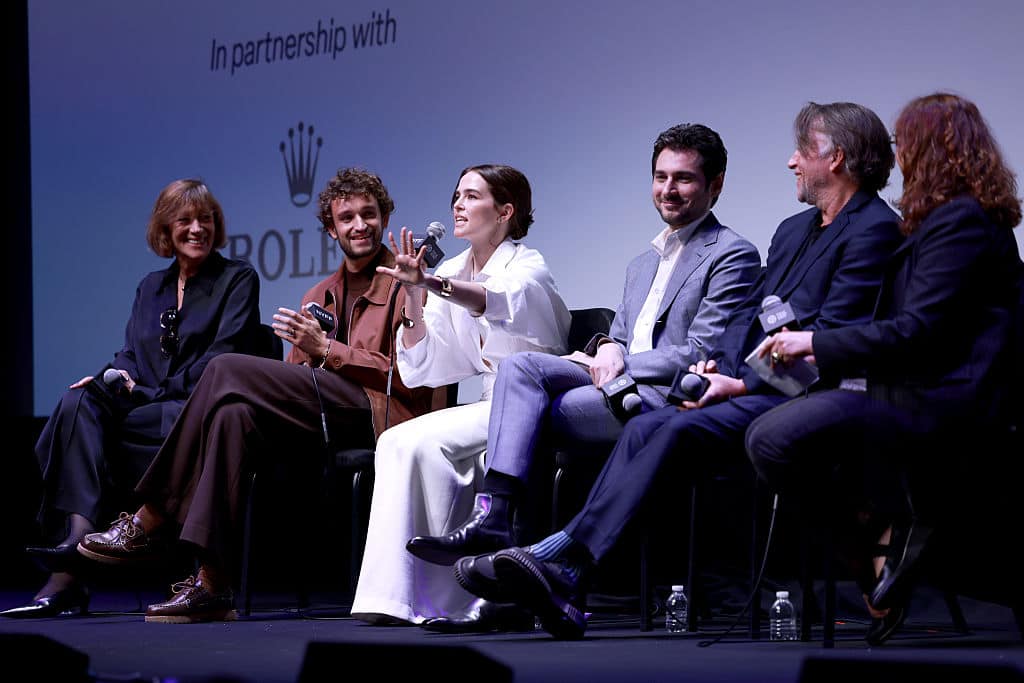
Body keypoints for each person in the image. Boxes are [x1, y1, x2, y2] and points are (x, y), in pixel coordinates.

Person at [454, 101, 905, 640]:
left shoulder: (876, 228)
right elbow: (751, 315)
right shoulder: (792, 230)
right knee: (647, 424)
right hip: (748, 383)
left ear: (839, 159)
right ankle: (555, 562)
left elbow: (830, 337)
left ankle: (556, 560)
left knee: (667, 423)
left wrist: (741, 381)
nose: (791, 162)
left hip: (811, 394)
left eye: (803, 151)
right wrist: (723, 369)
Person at [407, 123, 762, 632]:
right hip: (615, 385)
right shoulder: (643, 263)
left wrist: (622, 362)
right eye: (660, 177)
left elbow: (702, 351)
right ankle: (497, 518)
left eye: (683, 179)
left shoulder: (732, 254)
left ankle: (522, 577)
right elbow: (618, 334)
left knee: (529, 415)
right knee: (520, 368)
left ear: (716, 185)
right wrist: (608, 349)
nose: (668, 189)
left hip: (664, 396)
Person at [75, 168, 446, 623]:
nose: (359, 225)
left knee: (225, 367)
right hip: (324, 419)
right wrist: (313, 357)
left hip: (384, 414)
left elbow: (412, 379)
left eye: (368, 214)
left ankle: (151, 515)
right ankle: (213, 583)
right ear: (331, 229)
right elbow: (293, 384)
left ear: (385, 218)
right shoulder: (319, 294)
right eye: (346, 217)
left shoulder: (409, 282)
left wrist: (328, 350)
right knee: (233, 412)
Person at [746, 92, 1023, 644]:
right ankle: (883, 532)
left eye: (907, 144)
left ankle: (881, 530)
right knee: (774, 433)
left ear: (933, 148)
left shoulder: (960, 221)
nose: (899, 158)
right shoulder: (954, 219)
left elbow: (917, 332)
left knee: (773, 437)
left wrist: (814, 345)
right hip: (915, 388)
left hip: (943, 401)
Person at [1, 179, 263, 619]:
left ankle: (75, 573)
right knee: (77, 401)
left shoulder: (237, 278)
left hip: (190, 410)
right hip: (146, 404)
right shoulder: (150, 287)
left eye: (206, 219)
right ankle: (77, 543)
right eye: (185, 220)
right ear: (166, 229)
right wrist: (113, 374)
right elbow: (132, 353)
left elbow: (226, 358)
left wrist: (147, 390)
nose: (197, 228)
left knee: (154, 413)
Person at [349, 164, 572, 627]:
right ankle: (398, 597)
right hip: (488, 402)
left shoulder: (527, 264)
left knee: (423, 443)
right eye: (456, 195)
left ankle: (457, 598)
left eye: (471, 196)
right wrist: (413, 296)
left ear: (505, 211)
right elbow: (431, 363)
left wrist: (430, 284)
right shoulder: (452, 266)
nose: (457, 204)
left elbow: (497, 300)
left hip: (532, 402)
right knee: (396, 440)